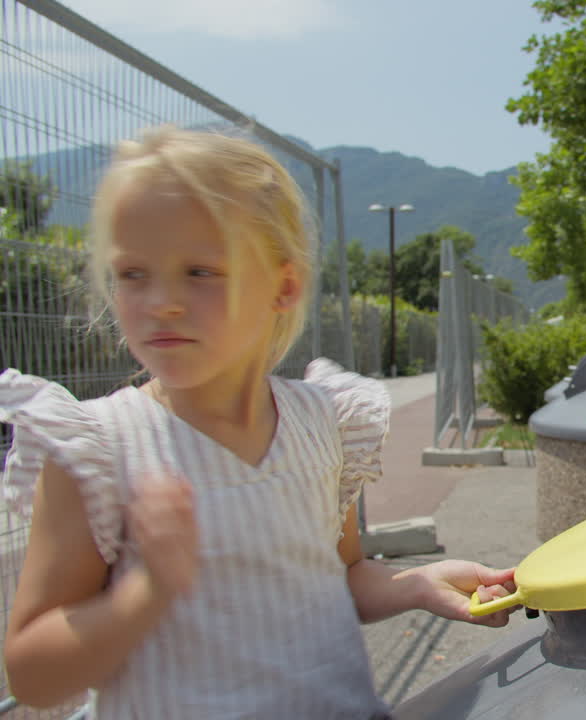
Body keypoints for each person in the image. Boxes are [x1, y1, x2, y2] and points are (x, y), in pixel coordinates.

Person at [0, 127, 518, 717]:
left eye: (200, 271)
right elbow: (33, 676)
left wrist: (419, 584)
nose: (161, 302)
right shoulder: (96, 451)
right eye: (132, 273)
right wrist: (145, 595)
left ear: (284, 285)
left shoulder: (323, 423)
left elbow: (337, 579)